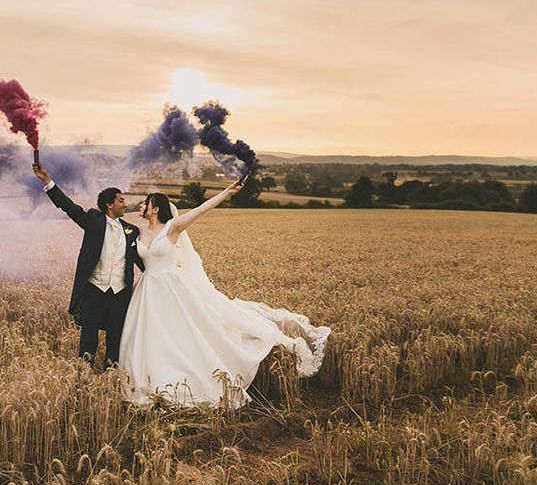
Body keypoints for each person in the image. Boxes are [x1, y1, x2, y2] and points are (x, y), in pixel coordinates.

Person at [119, 181, 331, 408]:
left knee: (182, 332)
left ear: (156, 208)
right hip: (147, 291)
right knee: (148, 335)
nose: (141, 206)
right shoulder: (138, 231)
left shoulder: (173, 227)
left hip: (173, 289)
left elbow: (201, 210)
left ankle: (185, 379)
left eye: (145, 203)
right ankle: (147, 382)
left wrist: (226, 192)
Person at [33, 163, 144, 368]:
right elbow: (68, 207)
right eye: (121, 200)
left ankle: (110, 374)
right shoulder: (93, 220)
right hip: (94, 291)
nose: (125, 204)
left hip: (119, 293)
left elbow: (143, 261)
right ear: (109, 204)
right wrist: (48, 181)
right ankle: (83, 374)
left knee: (115, 339)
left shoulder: (132, 231)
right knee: (88, 339)